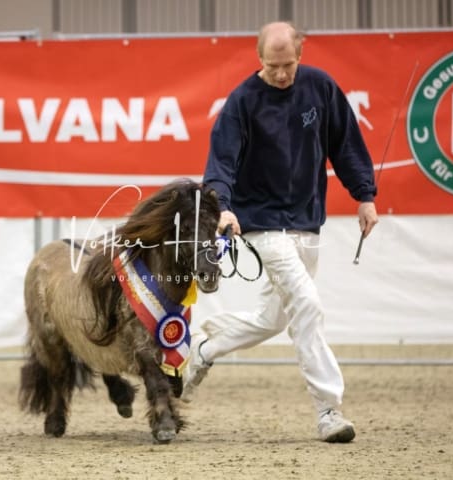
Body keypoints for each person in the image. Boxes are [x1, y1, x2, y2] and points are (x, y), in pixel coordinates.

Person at [181, 21, 379, 443]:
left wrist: (365, 196)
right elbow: (222, 162)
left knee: (273, 318)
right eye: (273, 67)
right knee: (307, 303)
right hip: (262, 226)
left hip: (307, 222)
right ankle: (329, 410)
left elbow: (345, 144)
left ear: (300, 55)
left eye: (287, 65)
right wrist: (225, 208)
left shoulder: (321, 89)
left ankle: (203, 349)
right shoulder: (242, 102)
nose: (282, 74)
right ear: (259, 59)